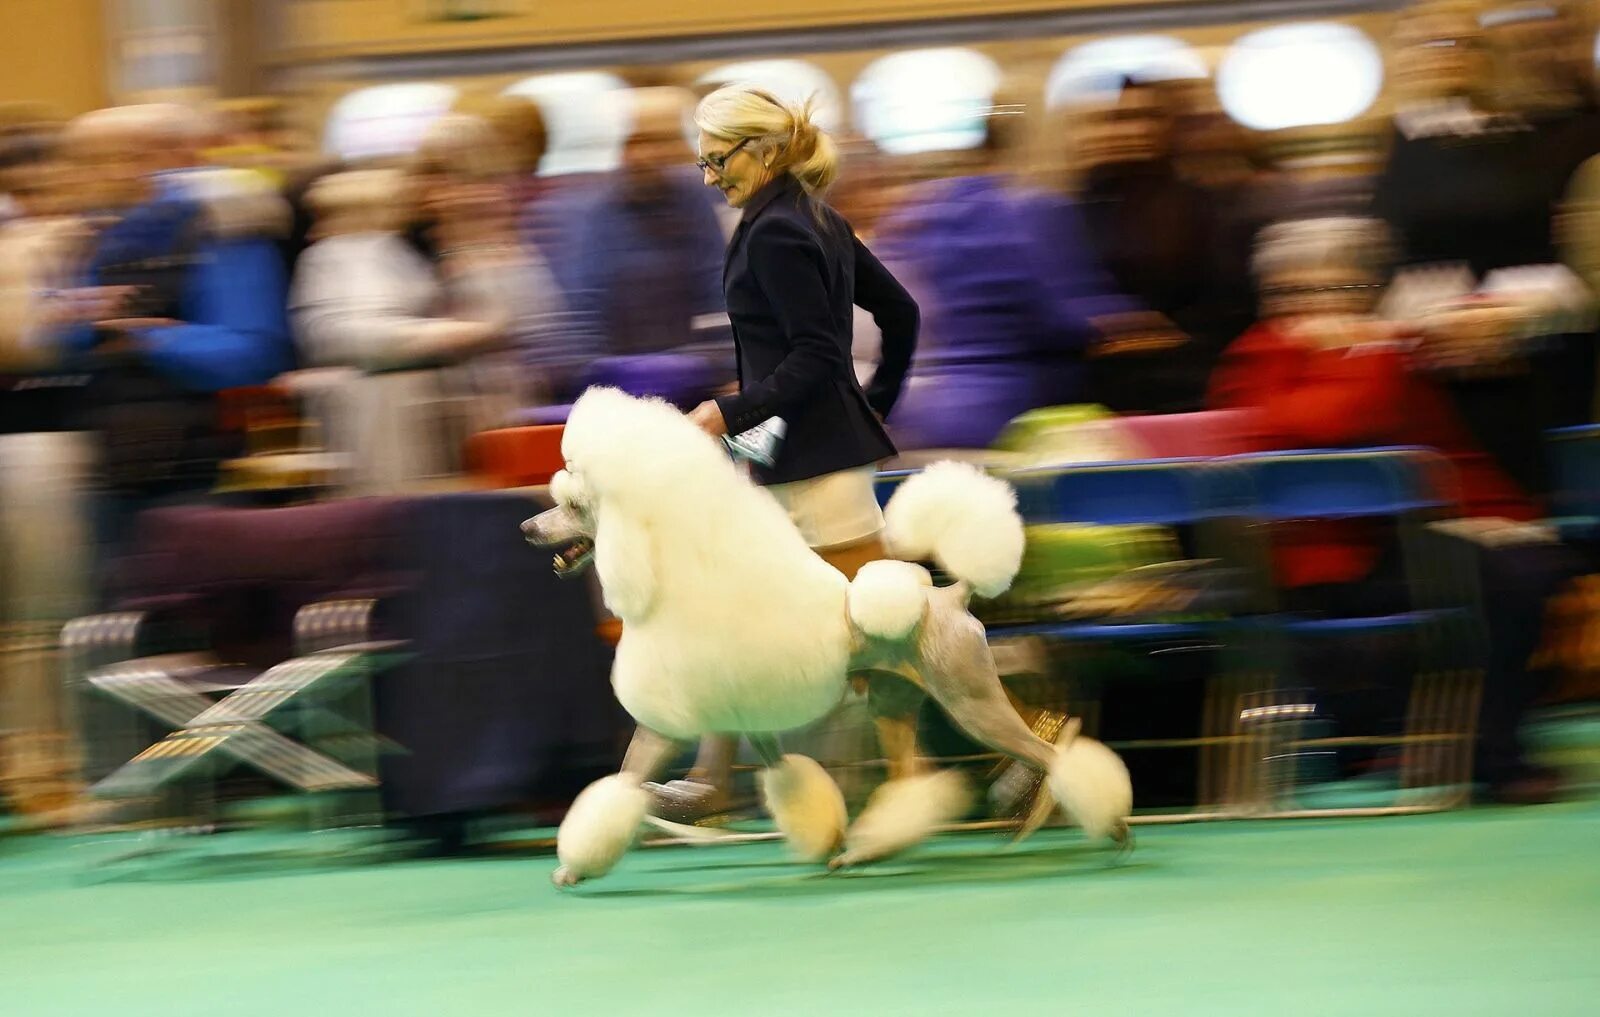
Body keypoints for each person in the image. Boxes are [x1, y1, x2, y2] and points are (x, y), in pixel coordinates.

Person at [643, 84, 920, 820]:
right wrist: (872, 405)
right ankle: (717, 776)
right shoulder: (812, 217)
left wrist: (724, 411)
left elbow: (816, 356)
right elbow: (900, 314)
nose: (710, 178)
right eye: (702, 164)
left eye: (718, 161)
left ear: (761, 151)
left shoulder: (777, 230)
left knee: (899, 638)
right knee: (743, 614)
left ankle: (998, 756)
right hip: (801, 456)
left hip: (816, 469)